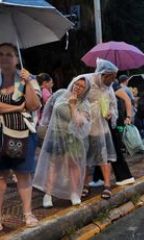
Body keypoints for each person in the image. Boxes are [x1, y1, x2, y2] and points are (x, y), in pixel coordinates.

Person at [0, 43, 42, 229]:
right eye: (1, 54)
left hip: (23, 134)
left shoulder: (28, 78)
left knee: (23, 175)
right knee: (0, 177)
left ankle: (27, 214)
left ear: (17, 59)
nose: (5, 58)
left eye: (9, 54)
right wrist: (17, 107)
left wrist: (28, 84)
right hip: (1, 133)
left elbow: (33, 105)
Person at [33, 76, 91, 207]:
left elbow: (79, 122)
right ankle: (48, 195)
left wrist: (72, 105)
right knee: (53, 165)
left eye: (82, 86)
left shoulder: (85, 104)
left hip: (73, 138)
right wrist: (44, 123)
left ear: (86, 90)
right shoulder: (60, 94)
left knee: (73, 165)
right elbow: (48, 108)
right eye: (77, 84)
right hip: (56, 134)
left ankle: (74, 193)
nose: (78, 87)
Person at [82, 59, 118, 200]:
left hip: (101, 128)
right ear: (105, 74)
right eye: (113, 77)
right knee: (84, 158)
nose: (114, 81)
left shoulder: (109, 88)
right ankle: (85, 185)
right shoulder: (87, 82)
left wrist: (111, 113)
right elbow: (76, 99)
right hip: (85, 127)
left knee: (103, 157)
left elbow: (113, 105)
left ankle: (107, 185)